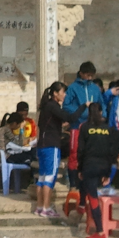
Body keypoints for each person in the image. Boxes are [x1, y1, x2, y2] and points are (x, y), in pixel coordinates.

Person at [37, 83, 89, 218]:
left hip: (42, 145)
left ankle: (39, 206)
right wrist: (84, 106)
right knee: (50, 177)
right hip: (51, 146)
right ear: (55, 93)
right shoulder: (53, 106)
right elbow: (71, 118)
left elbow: (50, 123)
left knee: (42, 177)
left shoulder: (46, 107)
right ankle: (46, 208)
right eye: (63, 92)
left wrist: (60, 124)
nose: (64, 95)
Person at [77, 102, 119, 238]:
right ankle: (82, 206)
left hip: (89, 165)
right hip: (104, 166)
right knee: (93, 192)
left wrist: (80, 169)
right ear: (101, 112)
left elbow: (81, 150)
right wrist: (108, 173)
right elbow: (112, 152)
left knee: (93, 197)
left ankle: (100, 232)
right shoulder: (109, 129)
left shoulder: (85, 127)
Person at [63, 62, 106, 190]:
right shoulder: (72, 88)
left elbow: (102, 104)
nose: (90, 78)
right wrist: (80, 111)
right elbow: (66, 106)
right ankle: (73, 184)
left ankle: (91, 184)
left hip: (93, 127)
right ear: (81, 73)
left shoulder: (95, 88)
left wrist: (102, 114)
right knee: (74, 154)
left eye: (91, 76)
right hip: (77, 126)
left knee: (92, 154)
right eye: (87, 75)